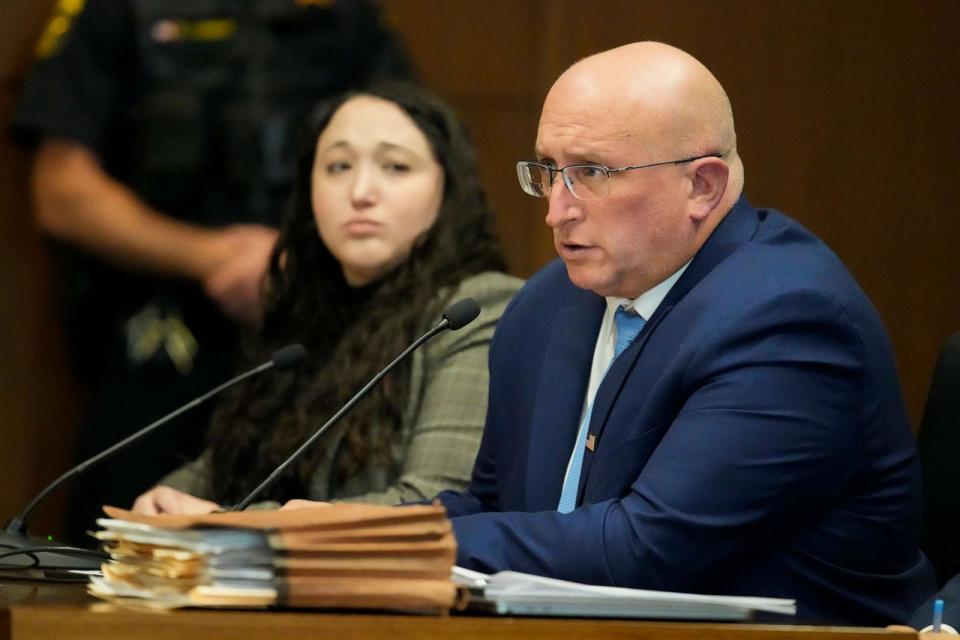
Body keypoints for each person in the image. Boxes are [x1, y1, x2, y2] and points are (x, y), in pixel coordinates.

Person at [426, 42, 934, 624]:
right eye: (548, 172)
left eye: (590, 173)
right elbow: (492, 505)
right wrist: (343, 537)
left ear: (703, 187)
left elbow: (644, 551)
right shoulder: (547, 303)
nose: (556, 211)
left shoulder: (789, 320)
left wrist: (407, 551)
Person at [9, 0, 413, 542]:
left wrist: (301, 263)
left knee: (293, 537)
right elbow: (62, 191)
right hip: (154, 336)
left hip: (310, 325)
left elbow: (408, 148)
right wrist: (216, 258)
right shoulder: (111, 9)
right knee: (128, 535)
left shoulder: (344, 14)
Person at [130, 83, 523, 514]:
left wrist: (233, 523)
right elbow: (223, 468)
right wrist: (160, 505)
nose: (360, 192)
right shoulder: (307, 317)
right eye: (338, 166)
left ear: (448, 191)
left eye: (395, 167)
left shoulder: (473, 309)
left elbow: (433, 504)